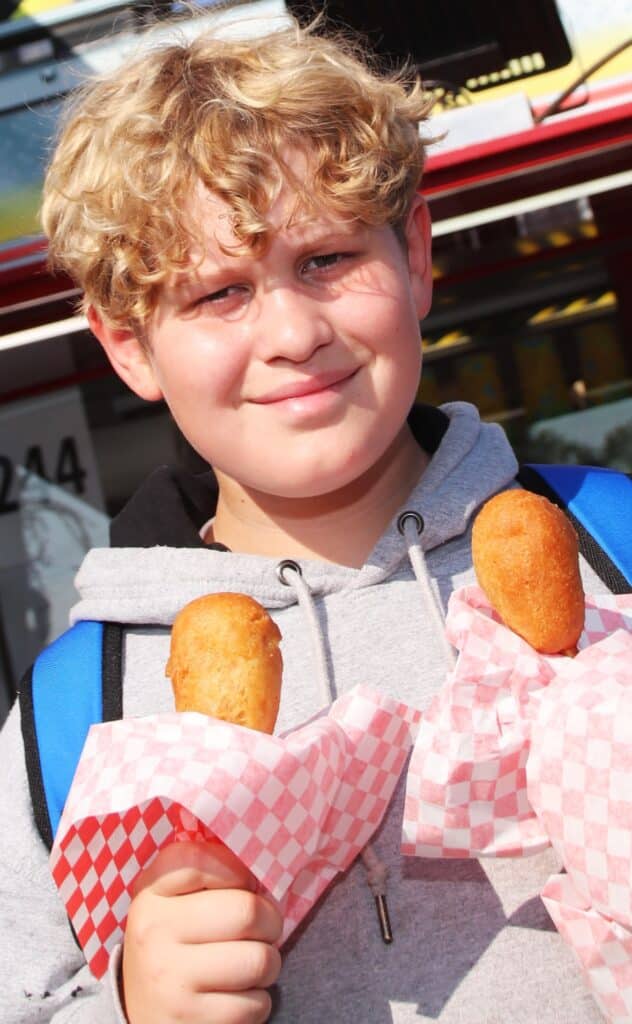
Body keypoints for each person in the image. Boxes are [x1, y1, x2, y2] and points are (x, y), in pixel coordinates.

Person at [0, 13, 611, 1024]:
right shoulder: (77, 712)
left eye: (325, 259)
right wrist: (128, 1005)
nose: (291, 331)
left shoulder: (606, 550)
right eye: (218, 293)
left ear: (415, 256)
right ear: (129, 348)